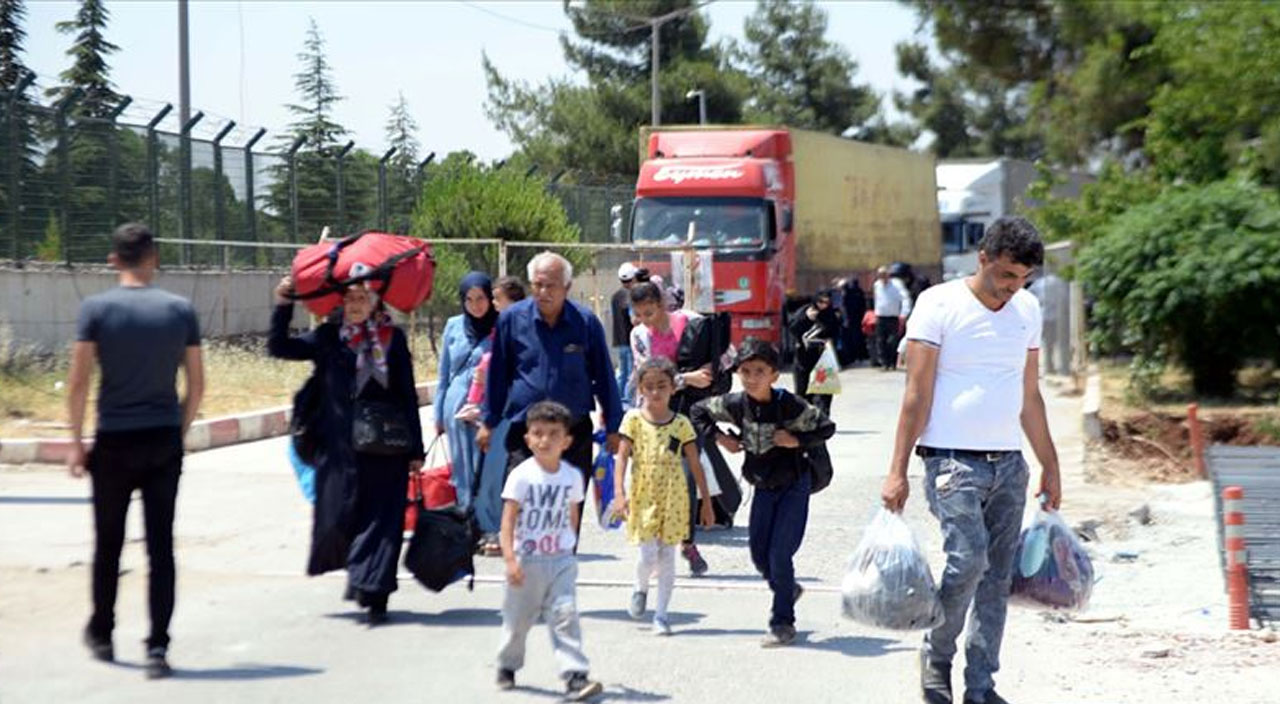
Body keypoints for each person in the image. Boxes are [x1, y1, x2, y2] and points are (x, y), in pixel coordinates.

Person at [881, 216, 1062, 704]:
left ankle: (980, 685)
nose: (1012, 287)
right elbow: (915, 393)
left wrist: (1050, 462)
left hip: (1009, 464)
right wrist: (897, 469)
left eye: (1022, 278)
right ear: (982, 258)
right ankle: (937, 656)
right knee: (968, 561)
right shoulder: (937, 304)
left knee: (998, 577)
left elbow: (1030, 395)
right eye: (1005, 275)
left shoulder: (1026, 309)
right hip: (951, 463)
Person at [67, 223, 204, 679]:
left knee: (108, 543)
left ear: (113, 260)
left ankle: (103, 633)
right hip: (162, 437)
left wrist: (75, 442)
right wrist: (178, 429)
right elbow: (197, 384)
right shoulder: (180, 310)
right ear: (153, 257)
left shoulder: (96, 309)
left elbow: (80, 381)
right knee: (160, 547)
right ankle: (158, 646)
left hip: (114, 441)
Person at [269, 274, 425, 625]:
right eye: (349, 299)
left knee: (383, 520)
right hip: (340, 450)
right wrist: (283, 302)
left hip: (387, 449)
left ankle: (377, 591)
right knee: (341, 516)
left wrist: (416, 450)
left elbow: (406, 395)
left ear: (375, 303)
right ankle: (362, 578)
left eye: (362, 299)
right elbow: (280, 348)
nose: (354, 306)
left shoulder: (392, 339)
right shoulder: (329, 338)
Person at [690, 340, 835, 647]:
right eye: (745, 371)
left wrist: (795, 439)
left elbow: (825, 427)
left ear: (774, 375)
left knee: (780, 554)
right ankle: (787, 589)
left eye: (759, 371)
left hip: (794, 485)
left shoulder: (789, 404)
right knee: (759, 555)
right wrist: (720, 438)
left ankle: (783, 622)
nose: (751, 377)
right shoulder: (735, 404)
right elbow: (698, 410)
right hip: (763, 487)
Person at [479, 251, 623, 548]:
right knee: (522, 505)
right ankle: (523, 569)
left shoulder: (585, 323)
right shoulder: (511, 320)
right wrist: (489, 421)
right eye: (538, 285)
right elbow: (498, 375)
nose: (543, 292)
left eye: (551, 285)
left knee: (567, 511)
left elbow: (605, 377)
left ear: (567, 287)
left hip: (573, 434)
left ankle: (561, 568)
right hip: (525, 432)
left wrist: (614, 427)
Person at [496, 400, 603, 701]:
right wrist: (510, 560)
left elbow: (573, 516)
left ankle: (575, 676)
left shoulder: (572, 476)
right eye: (538, 433)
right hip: (526, 560)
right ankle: (508, 664)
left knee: (565, 615)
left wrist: (568, 549)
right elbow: (507, 522)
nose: (545, 440)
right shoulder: (521, 475)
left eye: (553, 433)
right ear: (527, 438)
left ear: (566, 441)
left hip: (560, 561)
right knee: (518, 621)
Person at [629, 281, 727, 575]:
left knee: (686, 477)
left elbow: (725, 355)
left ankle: (687, 543)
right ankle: (660, 545)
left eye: (650, 312)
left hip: (689, 414)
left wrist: (710, 372)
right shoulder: (639, 336)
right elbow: (647, 375)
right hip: (655, 415)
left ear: (661, 304)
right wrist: (687, 378)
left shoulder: (692, 322)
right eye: (639, 314)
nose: (646, 320)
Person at [613, 358, 715, 635]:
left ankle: (661, 614)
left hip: (674, 497)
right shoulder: (632, 420)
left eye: (661, 386)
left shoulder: (681, 424)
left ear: (673, 389)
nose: (655, 392)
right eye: (649, 387)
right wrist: (619, 493)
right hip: (643, 495)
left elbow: (696, 465)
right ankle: (640, 587)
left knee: (668, 556)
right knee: (647, 555)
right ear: (640, 389)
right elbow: (621, 458)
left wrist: (706, 502)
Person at [475, 276, 528, 555]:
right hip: (499, 406)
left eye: (498, 298)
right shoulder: (501, 328)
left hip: (515, 406)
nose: (494, 304)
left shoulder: (526, 329)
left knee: (512, 471)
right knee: (494, 471)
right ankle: (493, 528)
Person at [436, 272, 498, 510]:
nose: (476, 305)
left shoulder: (501, 325)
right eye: (469, 299)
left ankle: (486, 517)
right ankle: (465, 512)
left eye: (480, 298)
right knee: (461, 463)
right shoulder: (453, 326)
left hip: (486, 404)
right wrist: (440, 414)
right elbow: (443, 375)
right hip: (456, 405)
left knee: (486, 462)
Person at [788, 290, 839, 416]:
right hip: (803, 356)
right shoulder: (804, 311)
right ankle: (802, 417)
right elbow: (793, 329)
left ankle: (822, 417)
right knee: (802, 389)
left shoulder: (831, 314)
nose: (823, 305)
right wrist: (807, 319)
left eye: (826, 302)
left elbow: (836, 331)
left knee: (824, 391)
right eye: (820, 302)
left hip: (823, 356)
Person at [873, 265, 913, 370]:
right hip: (880, 317)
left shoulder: (896, 284)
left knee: (892, 341)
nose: (882, 278)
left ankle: (892, 362)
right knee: (880, 341)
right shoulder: (877, 285)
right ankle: (884, 364)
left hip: (893, 318)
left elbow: (905, 298)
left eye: (884, 275)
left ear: (888, 275)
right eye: (880, 275)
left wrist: (904, 313)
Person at [611, 263, 640, 402]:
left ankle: (618, 398)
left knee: (622, 372)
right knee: (630, 373)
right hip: (630, 340)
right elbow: (634, 319)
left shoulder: (615, 296)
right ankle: (628, 400)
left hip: (619, 339)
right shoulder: (632, 295)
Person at [840, 277, 869, 366]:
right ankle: (860, 356)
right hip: (858, 319)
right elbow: (863, 306)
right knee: (859, 338)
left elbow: (844, 307)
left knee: (850, 339)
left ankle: (852, 357)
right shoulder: (859, 292)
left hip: (850, 320)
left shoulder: (847, 293)